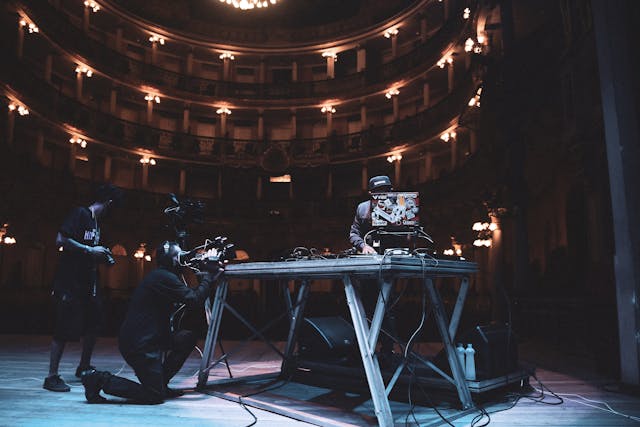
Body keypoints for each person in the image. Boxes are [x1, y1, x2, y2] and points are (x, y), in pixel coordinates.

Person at [81, 241, 223, 404]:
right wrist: (208, 277)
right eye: (179, 256)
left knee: (186, 338)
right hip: (140, 344)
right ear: (173, 260)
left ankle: (161, 383)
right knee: (154, 396)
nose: (183, 259)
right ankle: (98, 379)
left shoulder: (163, 275)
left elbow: (193, 296)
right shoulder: (163, 277)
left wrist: (206, 276)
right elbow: (194, 299)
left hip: (152, 337)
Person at [43, 183, 122, 392]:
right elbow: (61, 239)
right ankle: (51, 376)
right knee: (63, 328)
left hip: (88, 283)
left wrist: (103, 255)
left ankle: (84, 366)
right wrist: (89, 250)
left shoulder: (96, 223)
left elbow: (91, 251)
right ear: (109, 203)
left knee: (93, 323)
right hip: (69, 282)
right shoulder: (80, 213)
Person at [348, 175, 398, 367]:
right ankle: (360, 351)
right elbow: (353, 233)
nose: (381, 195)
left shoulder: (399, 206)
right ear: (371, 193)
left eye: (385, 191)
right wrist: (363, 246)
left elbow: (407, 234)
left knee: (388, 309)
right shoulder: (362, 208)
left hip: (389, 265)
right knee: (365, 308)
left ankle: (388, 351)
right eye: (377, 192)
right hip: (369, 267)